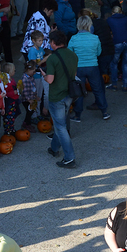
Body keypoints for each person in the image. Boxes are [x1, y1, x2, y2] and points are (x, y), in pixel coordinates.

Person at [43, 30, 77, 168]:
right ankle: (54, 148)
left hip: (57, 96)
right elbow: (74, 74)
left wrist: (44, 75)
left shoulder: (52, 58)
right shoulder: (73, 55)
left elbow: (50, 80)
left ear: (53, 43)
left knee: (60, 127)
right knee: (60, 123)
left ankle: (69, 158)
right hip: (69, 94)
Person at [68, 15, 110, 121]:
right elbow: (99, 52)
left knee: (79, 91)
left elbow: (70, 54)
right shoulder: (95, 38)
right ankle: (104, 112)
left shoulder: (73, 38)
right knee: (98, 89)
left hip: (78, 68)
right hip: (93, 67)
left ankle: (77, 115)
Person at [107, 6, 127, 92]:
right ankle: (125, 85)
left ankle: (114, 84)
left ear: (112, 12)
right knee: (125, 64)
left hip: (117, 41)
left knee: (114, 63)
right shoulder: (126, 18)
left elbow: (108, 31)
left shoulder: (109, 20)